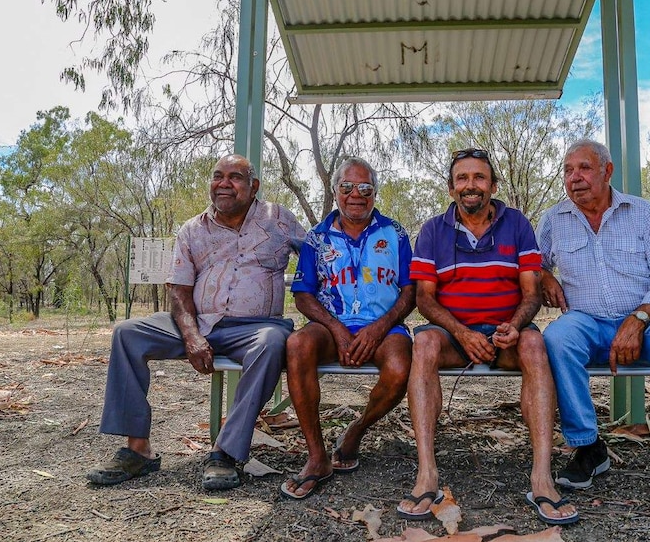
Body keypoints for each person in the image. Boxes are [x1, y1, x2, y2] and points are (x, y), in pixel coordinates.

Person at [87, 154, 306, 490]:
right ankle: (138, 450)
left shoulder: (278, 220)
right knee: (127, 333)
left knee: (272, 343)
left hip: (256, 327)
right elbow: (178, 289)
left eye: (235, 177)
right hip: (199, 322)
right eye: (218, 176)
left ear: (254, 186)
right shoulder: (192, 229)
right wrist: (191, 335)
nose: (224, 184)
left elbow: (320, 255)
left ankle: (225, 452)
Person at [397, 148, 578, 526]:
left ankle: (541, 476)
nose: (470, 186)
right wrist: (461, 333)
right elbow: (424, 299)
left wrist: (514, 325)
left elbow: (531, 294)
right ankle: (427, 472)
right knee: (424, 342)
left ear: (493, 185)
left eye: (479, 178)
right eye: (462, 178)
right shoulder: (432, 231)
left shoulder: (517, 225)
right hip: (452, 336)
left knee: (534, 343)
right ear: (451, 188)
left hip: (504, 334)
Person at [536, 139, 650, 519]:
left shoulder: (642, 213)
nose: (574, 178)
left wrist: (639, 318)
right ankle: (589, 446)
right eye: (568, 171)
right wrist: (541, 274)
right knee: (555, 337)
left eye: (583, 168)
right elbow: (530, 262)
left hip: (647, 325)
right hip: (586, 323)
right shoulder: (554, 219)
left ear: (607, 171)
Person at [280, 157, 415, 500]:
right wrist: (338, 330)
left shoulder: (395, 233)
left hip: (383, 328)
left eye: (365, 187)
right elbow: (303, 296)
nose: (357, 194)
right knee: (297, 344)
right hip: (330, 326)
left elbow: (410, 290)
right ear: (335, 191)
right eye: (347, 187)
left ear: (374, 192)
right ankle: (316, 457)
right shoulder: (317, 237)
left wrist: (379, 328)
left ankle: (355, 431)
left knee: (401, 367)